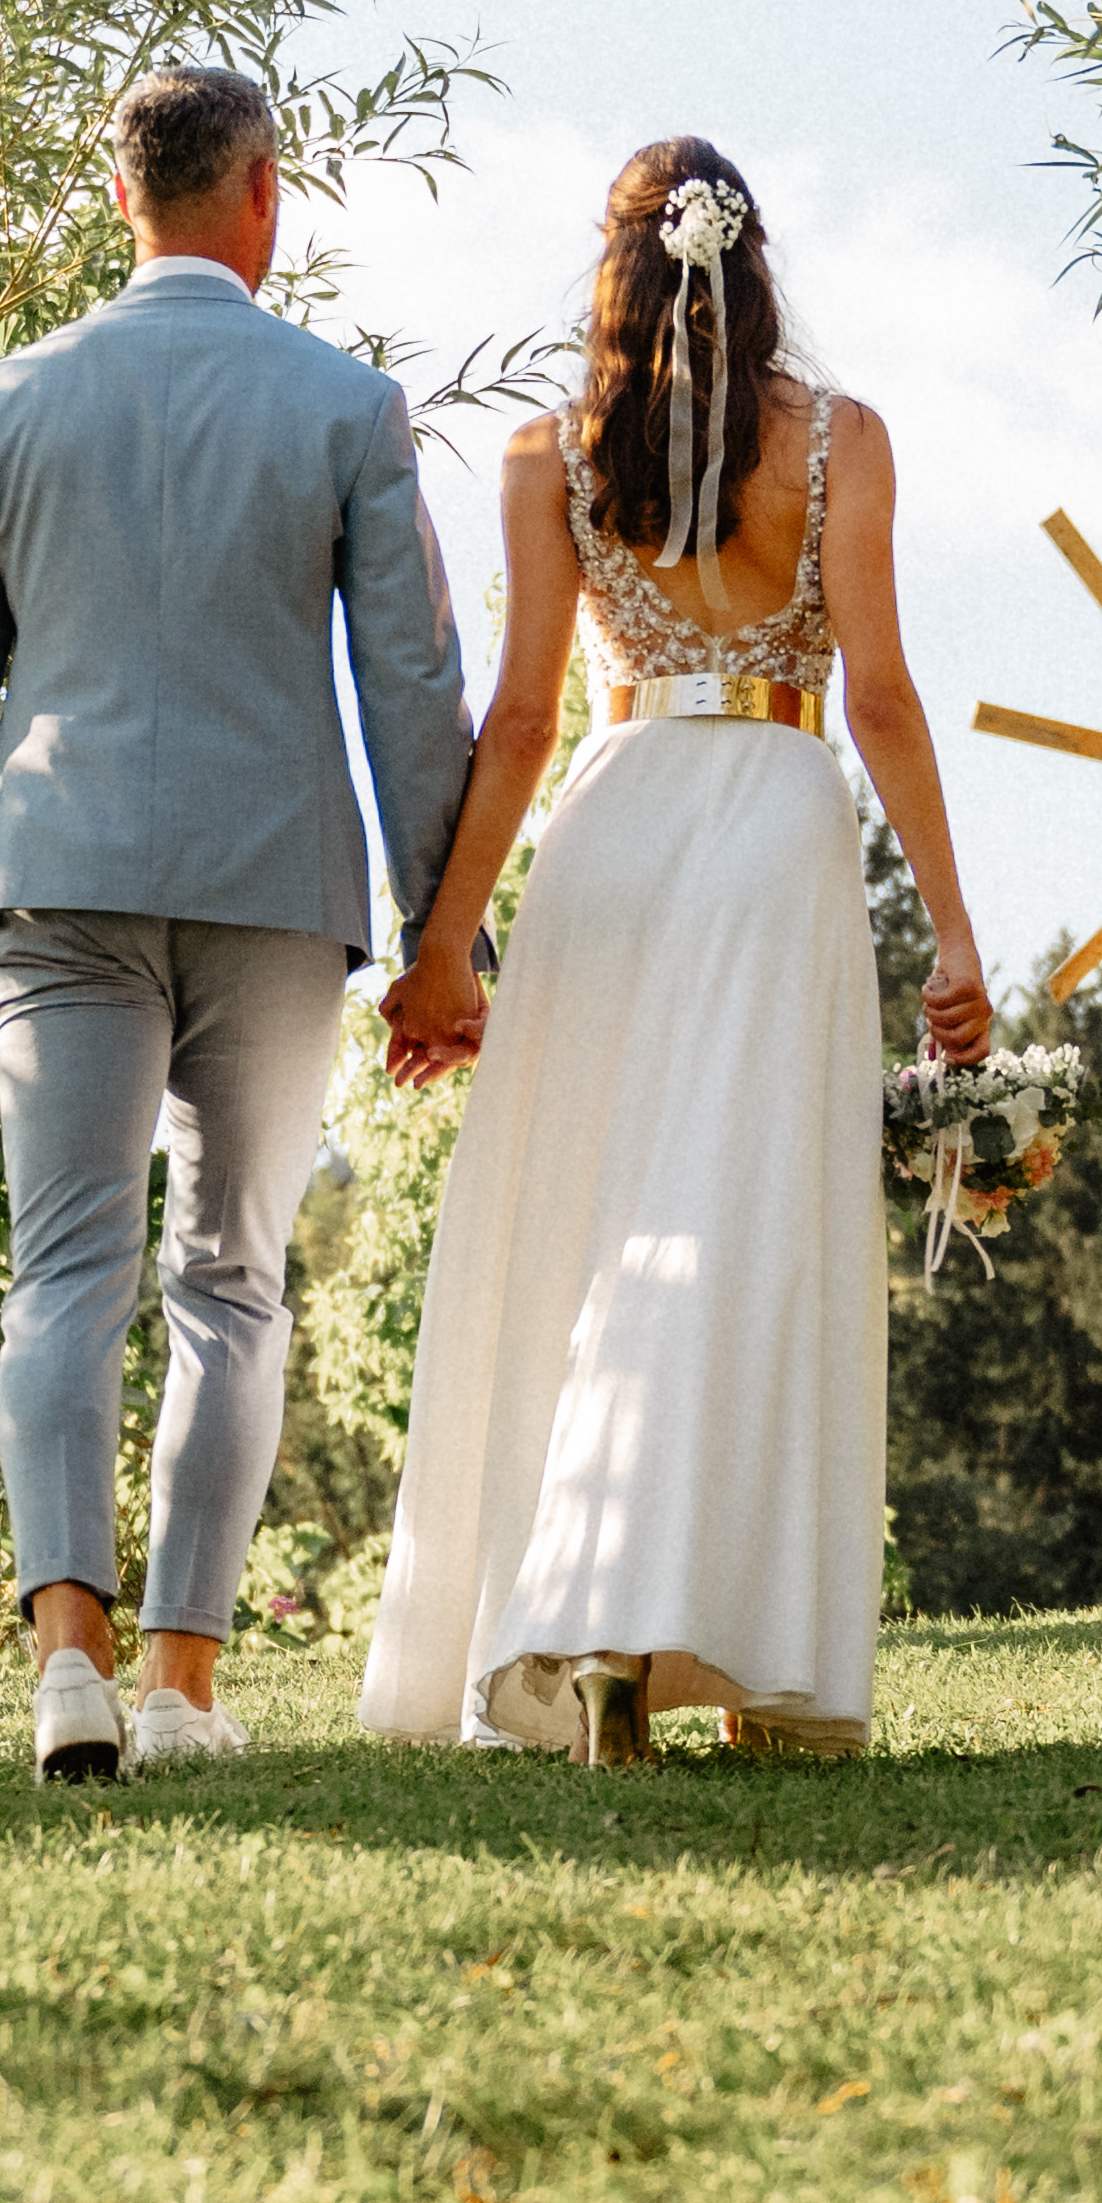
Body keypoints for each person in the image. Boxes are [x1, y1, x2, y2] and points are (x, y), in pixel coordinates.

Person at [356, 138, 994, 1762]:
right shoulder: (842, 443)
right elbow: (884, 697)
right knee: (746, 1227)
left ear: (616, 269)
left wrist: (443, 948)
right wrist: (955, 930)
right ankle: (728, 1646)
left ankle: (593, 1635)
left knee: (597, 1232)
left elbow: (515, 717)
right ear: (753, 263)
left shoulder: (546, 452)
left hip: (616, 824)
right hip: (777, 819)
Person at [0, 68, 479, 1784]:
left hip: (49, 886)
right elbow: (410, 690)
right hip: (274, 895)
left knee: (64, 1271)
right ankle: (182, 1686)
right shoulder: (345, 408)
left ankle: (64, 1665)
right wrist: (446, 938)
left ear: (123, 195)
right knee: (234, 1282)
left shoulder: (0, 404)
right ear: (265, 196)